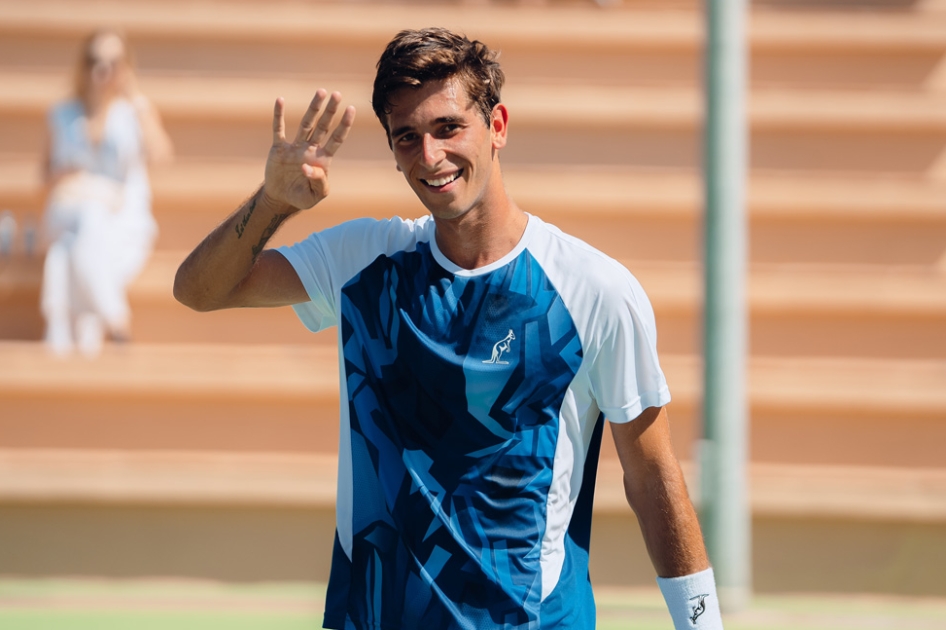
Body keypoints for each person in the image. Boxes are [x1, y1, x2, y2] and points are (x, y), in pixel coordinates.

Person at [175, 27, 723, 630]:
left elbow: (652, 477)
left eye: (448, 128)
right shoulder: (366, 261)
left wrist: (702, 624)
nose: (430, 156)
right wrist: (275, 202)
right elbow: (200, 290)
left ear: (498, 126)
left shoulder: (594, 289)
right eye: (406, 138)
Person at [42, 28, 173, 356]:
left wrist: (136, 97)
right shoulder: (62, 114)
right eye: (94, 61)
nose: (102, 70)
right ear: (82, 65)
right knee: (86, 222)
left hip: (122, 221)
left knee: (65, 254)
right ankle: (117, 324)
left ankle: (65, 340)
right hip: (71, 209)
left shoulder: (133, 113)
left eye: (113, 62)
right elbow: (44, 177)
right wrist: (65, 174)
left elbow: (161, 156)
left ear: (126, 67)